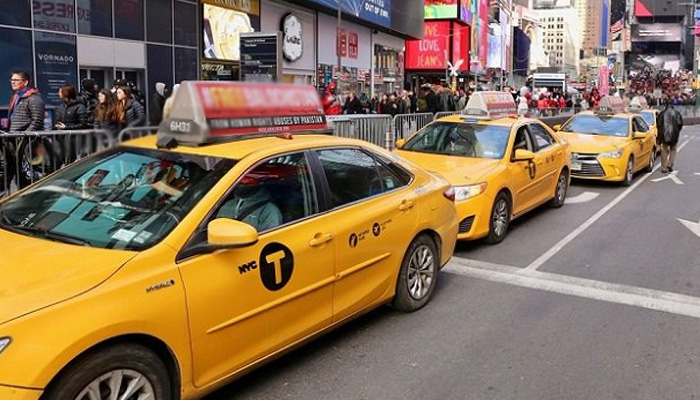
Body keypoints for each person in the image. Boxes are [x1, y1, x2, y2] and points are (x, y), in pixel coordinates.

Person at [216, 177, 282, 232]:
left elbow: (269, 238)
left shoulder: (269, 210)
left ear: (257, 184)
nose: (239, 184)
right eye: (238, 182)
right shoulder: (228, 205)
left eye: (244, 182)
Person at [657, 97, 683, 174]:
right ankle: (670, 164)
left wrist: (659, 136)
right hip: (674, 134)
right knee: (673, 149)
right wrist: (677, 131)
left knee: (664, 149)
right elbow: (680, 124)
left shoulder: (662, 113)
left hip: (664, 134)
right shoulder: (677, 113)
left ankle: (664, 167)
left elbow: (659, 125)